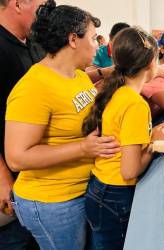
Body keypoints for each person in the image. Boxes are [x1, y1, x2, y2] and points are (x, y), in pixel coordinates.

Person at [4, 2, 120, 249]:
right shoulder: (34, 87)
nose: (98, 45)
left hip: (79, 190)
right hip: (52, 201)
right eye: (92, 38)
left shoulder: (78, 75)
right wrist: (83, 149)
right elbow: (17, 157)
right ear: (73, 40)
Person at [82, 27, 164, 250]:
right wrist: (153, 144)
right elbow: (129, 170)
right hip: (115, 194)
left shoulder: (117, 91)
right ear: (151, 62)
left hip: (99, 188)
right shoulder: (135, 104)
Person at [0, 0, 47, 248]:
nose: (44, 14)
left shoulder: (34, 44)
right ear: (18, 4)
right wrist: (2, 177)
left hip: (37, 177)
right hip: (12, 176)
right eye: (40, 7)